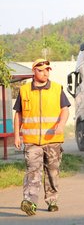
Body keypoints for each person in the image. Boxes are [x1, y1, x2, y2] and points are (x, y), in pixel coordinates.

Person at [13, 58, 71, 216]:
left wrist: (60, 125)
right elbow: (18, 113)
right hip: (32, 142)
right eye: (41, 70)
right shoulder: (24, 90)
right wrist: (17, 135)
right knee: (33, 171)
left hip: (52, 140)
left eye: (47, 70)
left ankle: (52, 200)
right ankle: (30, 201)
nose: (45, 73)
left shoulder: (56, 89)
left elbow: (65, 109)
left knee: (52, 172)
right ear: (34, 71)